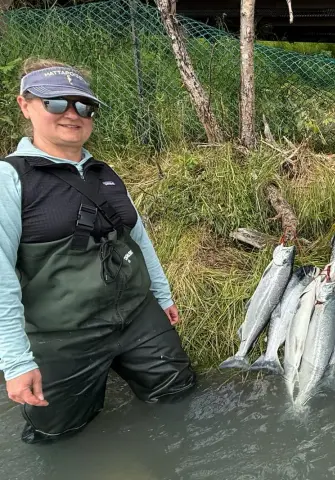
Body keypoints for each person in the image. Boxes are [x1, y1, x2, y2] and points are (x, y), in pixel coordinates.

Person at [0, 58, 196, 444]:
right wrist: (17, 361)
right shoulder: (10, 179)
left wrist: (161, 294)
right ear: (26, 105)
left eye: (84, 106)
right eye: (56, 103)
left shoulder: (104, 173)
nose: (72, 114)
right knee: (60, 437)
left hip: (138, 317)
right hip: (62, 336)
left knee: (179, 397)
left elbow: (139, 239)